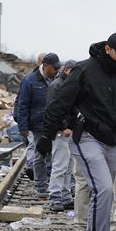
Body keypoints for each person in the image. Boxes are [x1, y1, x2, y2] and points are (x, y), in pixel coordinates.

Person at [37, 32, 116, 231]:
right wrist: (47, 135)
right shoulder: (84, 70)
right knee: (104, 190)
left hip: (109, 142)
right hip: (86, 138)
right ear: (108, 49)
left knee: (105, 193)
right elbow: (60, 102)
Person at [18, 52, 61, 197]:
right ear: (45, 66)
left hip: (54, 124)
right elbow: (22, 104)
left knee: (53, 155)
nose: (56, 71)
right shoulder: (30, 80)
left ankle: (50, 182)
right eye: (54, 68)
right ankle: (41, 186)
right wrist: (23, 127)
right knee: (40, 155)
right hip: (38, 125)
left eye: (58, 68)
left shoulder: (58, 78)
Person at [47, 60, 76, 212]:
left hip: (67, 132)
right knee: (60, 165)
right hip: (60, 132)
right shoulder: (57, 86)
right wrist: (63, 127)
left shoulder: (66, 84)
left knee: (67, 166)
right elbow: (54, 109)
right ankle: (55, 197)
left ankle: (65, 197)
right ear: (67, 70)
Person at [16, 52, 46, 180]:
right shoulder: (29, 79)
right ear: (39, 63)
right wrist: (21, 122)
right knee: (33, 143)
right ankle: (31, 166)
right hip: (33, 119)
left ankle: (33, 167)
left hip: (40, 120)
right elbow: (21, 101)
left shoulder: (51, 77)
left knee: (34, 144)